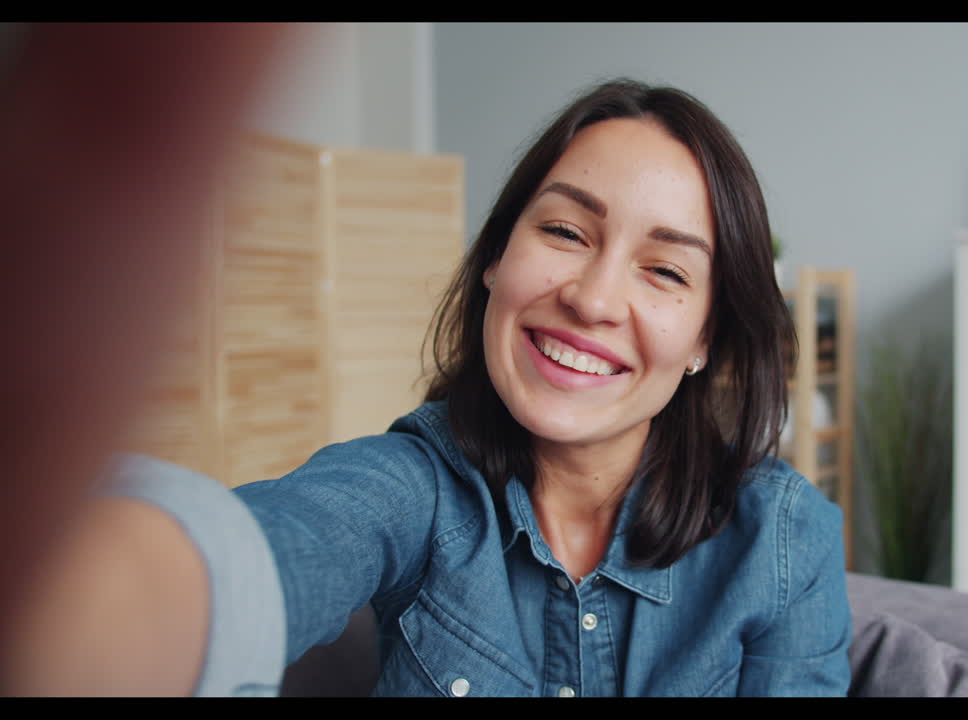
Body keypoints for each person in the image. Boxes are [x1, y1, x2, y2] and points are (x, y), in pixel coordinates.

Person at [1, 45, 853, 694]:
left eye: (664, 271)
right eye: (564, 232)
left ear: (707, 340)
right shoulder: (412, 488)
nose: (594, 298)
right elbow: (254, 551)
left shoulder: (784, 540)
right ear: (495, 260)